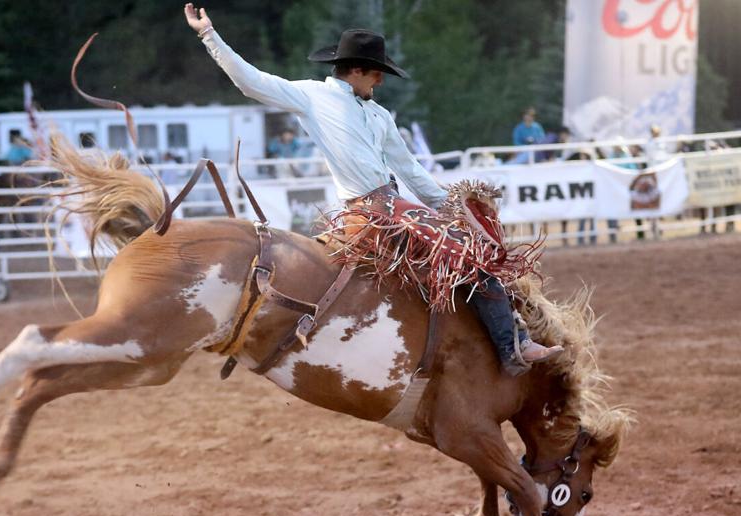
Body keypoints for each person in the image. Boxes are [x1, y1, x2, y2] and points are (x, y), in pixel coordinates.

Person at [184, 4, 562, 373]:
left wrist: (451, 205)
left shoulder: (379, 115)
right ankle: (511, 345)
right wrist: (209, 35)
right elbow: (250, 82)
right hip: (370, 212)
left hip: (393, 205)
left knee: (475, 245)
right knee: (469, 254)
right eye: (377, 74)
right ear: (357, 71)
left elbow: (409, 168)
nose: (380, 82)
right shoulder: (312, 96)